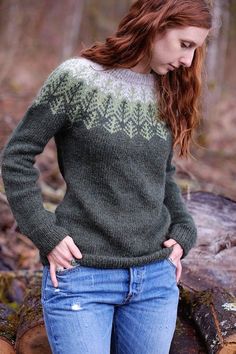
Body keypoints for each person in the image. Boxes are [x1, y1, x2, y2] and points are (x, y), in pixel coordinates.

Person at [1, 0, 212, 353]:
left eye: (196, 49)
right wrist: (45, 233)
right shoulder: (77, 79)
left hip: (154, 280)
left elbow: (163, 175)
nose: (189, 61)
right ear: (155, 24)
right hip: (83, 277)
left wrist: (184, 229)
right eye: (185, 44)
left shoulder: (167, 88)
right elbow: (17, 156)